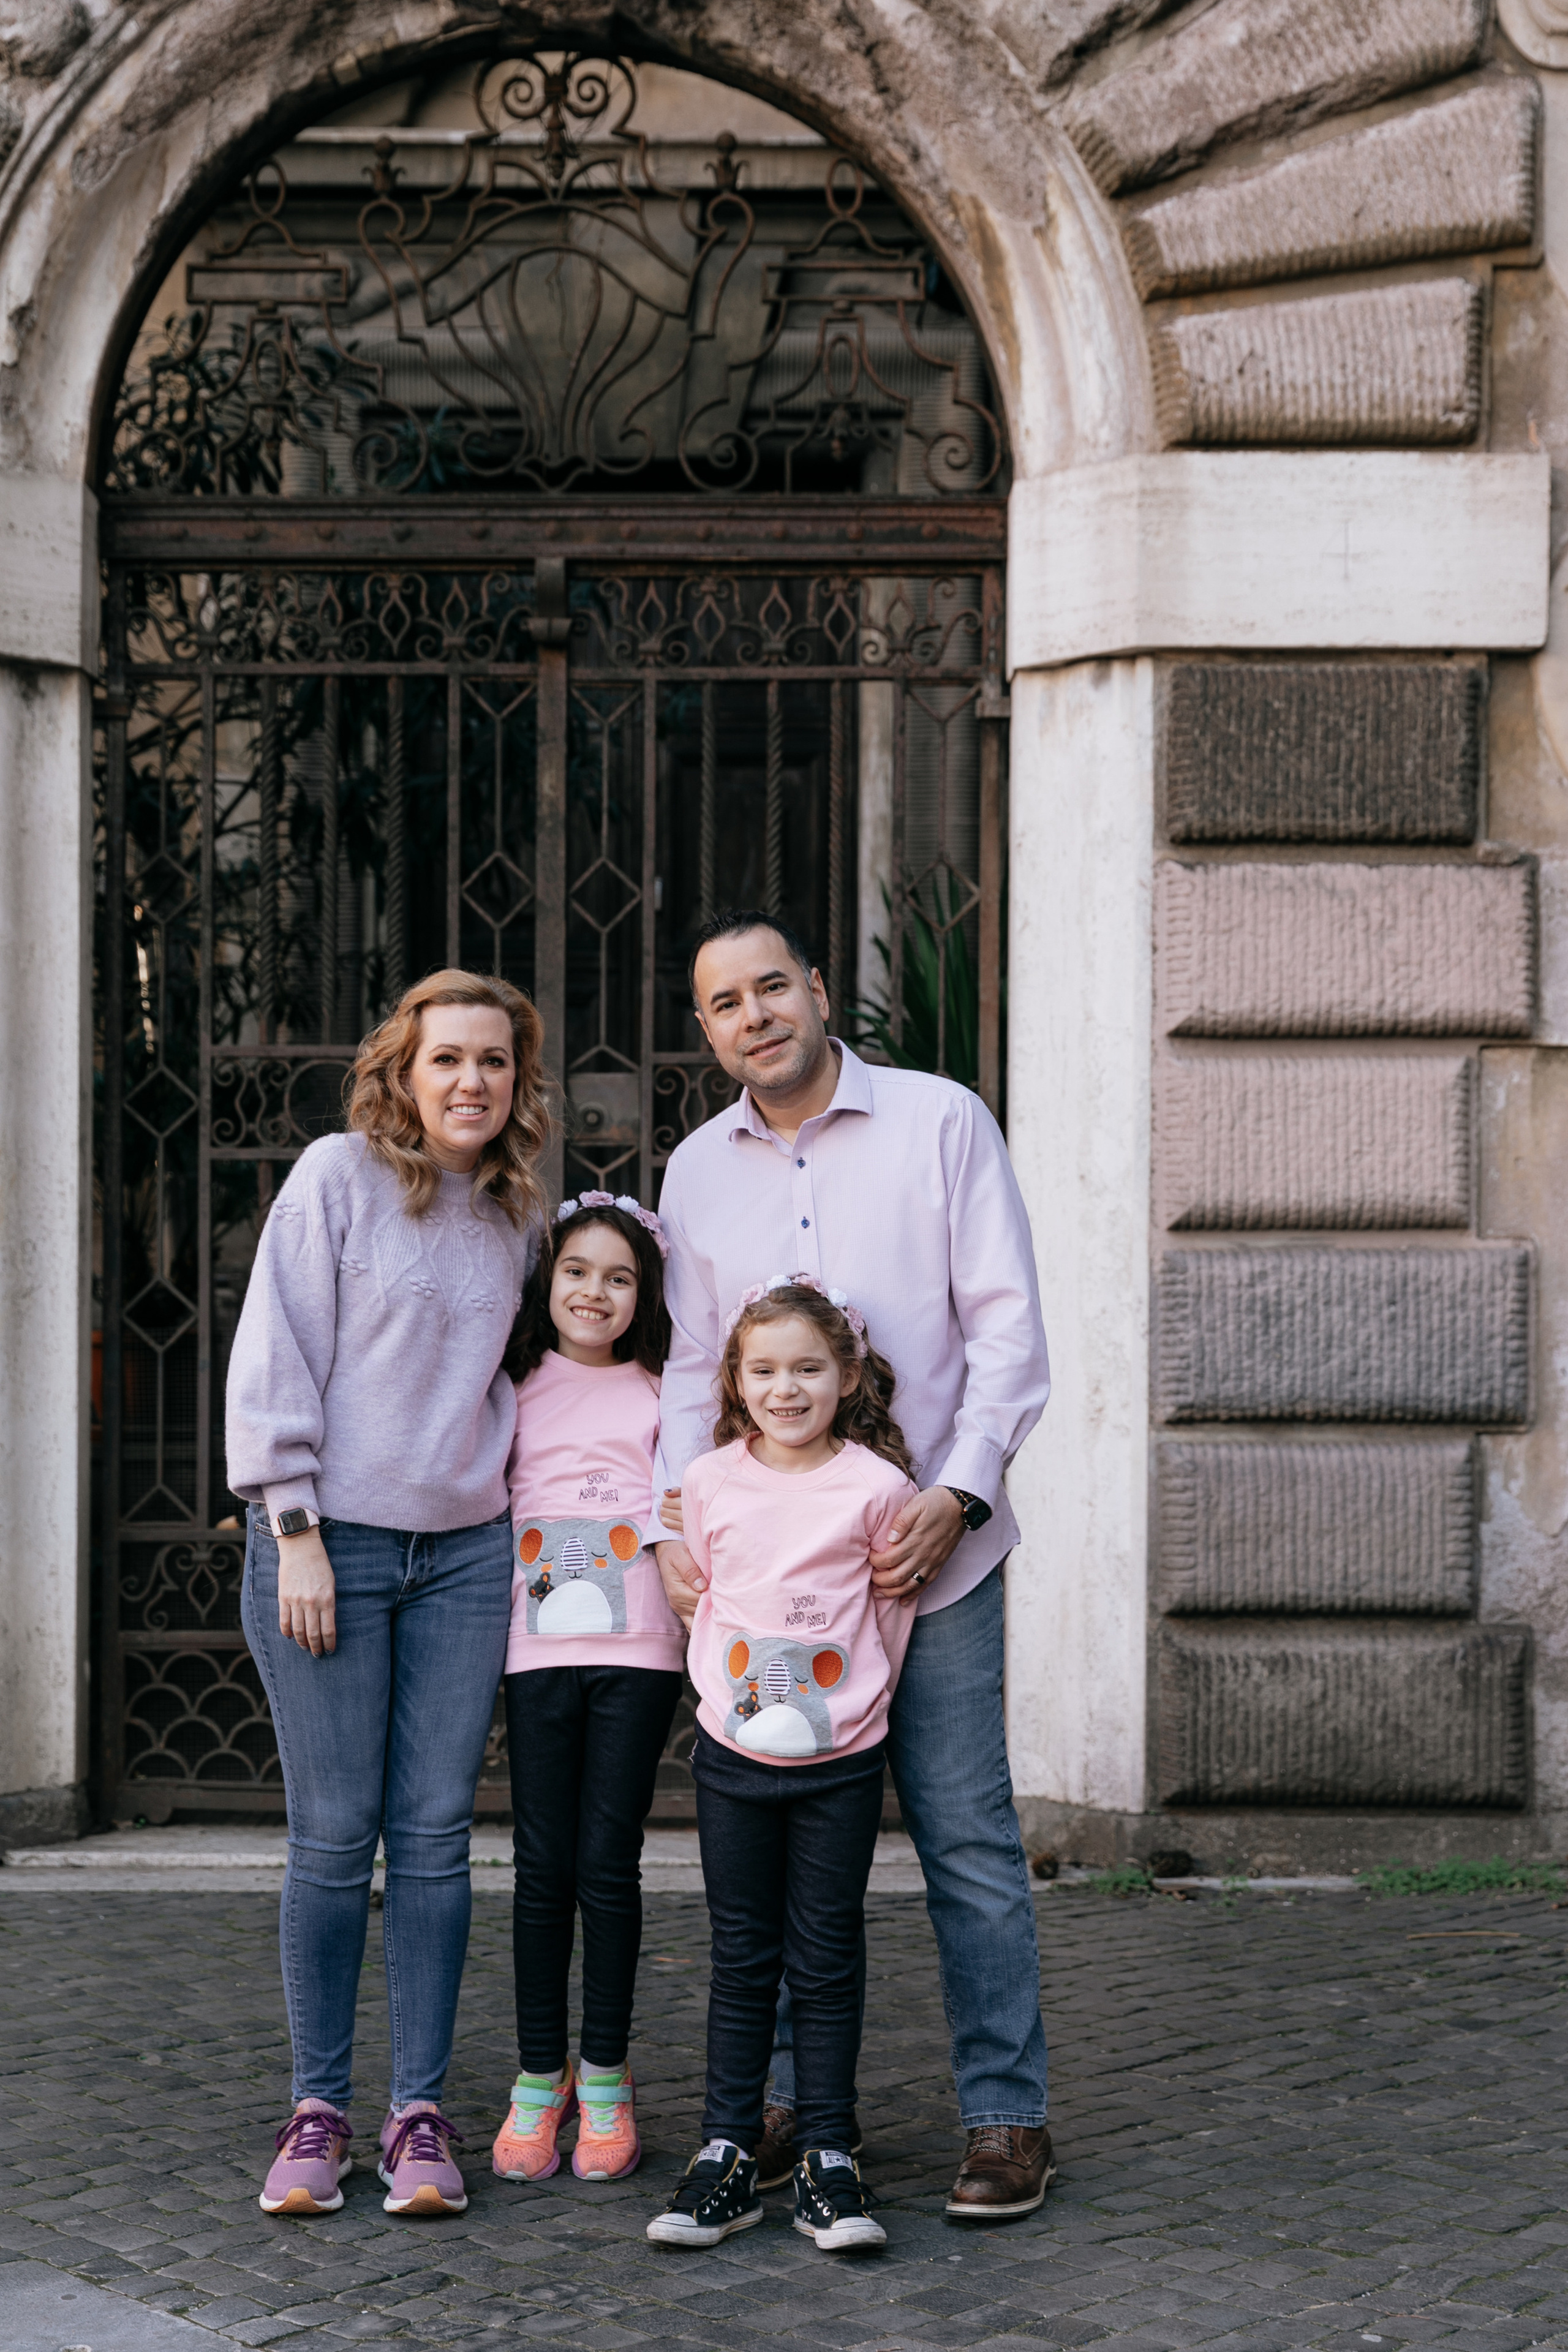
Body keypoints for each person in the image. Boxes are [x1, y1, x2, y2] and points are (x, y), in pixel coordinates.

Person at [653, 908, 1054, 2220]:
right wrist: (669, 1527)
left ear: (818, 991)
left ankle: (1002, 2121)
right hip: (767, 1581)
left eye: (772, 986)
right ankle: (779, 2111)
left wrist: (962, 1490)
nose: (754, 1014)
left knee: (966, 1840)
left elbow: (1005, 1330)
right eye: (724, 1002)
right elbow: (683, 1369)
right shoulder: (695, 1172)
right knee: (769, 1847)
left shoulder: (942, 1122)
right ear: (707, 1032)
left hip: (923, 1563)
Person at [228, 970, 549, 2222]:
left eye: (494, 1062)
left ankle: (418, 2115)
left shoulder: (521, 1211)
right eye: (447, 1059)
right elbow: (275, 1355)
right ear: (402, 1075)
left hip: (465, 1553)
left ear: (517, 1084)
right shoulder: (335, 1178)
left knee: (431, 1842)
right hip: (331, 1547)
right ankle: (318, 2113)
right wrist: (293, 1527)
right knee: (331, 1833)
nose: (471, 1081)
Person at [647, 1277, 918, 2255]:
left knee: (827, 1955)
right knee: (742, 1955)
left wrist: (855, 1716)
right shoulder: (708, 1484)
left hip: (840, 1765)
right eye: (764, 1371)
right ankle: (725, 2152)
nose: (787, 1389)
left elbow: (890, 1613)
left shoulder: (879, 1489)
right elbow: (701, 1604)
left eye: (808, 1368)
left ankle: (829, 2156)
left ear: (845, 1377)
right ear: (736, 1380)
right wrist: (727, 1710)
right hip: (731, 1758)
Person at [490, 1191, 685, 2187]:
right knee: (540, 1867)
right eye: (577, 1272)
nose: (595, 1292)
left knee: (608, 1865)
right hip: (535, 1650)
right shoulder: (513, 1386)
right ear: (548, 1281)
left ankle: (604, 2077)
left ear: (643, 1292)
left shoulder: (664, 1392)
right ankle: (538, 2078)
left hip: (639, 1652)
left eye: (619, 1277)